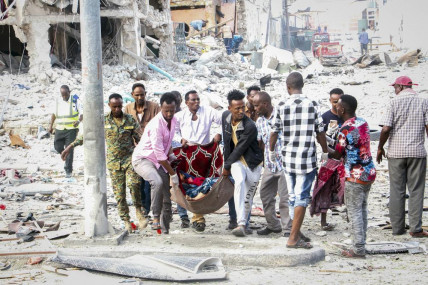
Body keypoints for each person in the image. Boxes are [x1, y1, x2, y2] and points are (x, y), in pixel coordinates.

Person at [61, 94, 147, 232]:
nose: (118, 109)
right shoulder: (103, 121)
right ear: (109, 106)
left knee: (134, 183)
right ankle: (126, 221)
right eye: (115, 107)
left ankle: (138, 211)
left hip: (129, 159)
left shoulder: (130, 119)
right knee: (119, 194)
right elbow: (88, 135)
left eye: (120, 106)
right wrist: (70, 146)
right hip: (113, 163)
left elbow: (141, 139)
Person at [270, 72, 328, 249]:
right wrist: (325, 151)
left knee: (293, 197)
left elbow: (274, 131)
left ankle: (296, 232)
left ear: (288, 87)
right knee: (302, 197)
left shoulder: (281, 104)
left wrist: (272, 151)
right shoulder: (312, 104)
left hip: (288, 158)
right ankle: (293, 238)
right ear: (302, 85)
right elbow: (320, 132)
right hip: (306, 158)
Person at [377, 76, 428, 238]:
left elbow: (385, 129)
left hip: (396, 154)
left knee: (397, 190)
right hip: (417, 153)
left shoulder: (394, 102)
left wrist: (380, 148)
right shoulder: (423, 102)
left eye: (395, 87)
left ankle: (397, 228)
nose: (394, 90)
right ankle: (415, 229)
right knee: (416, 191)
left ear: (400, 86)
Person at [329, 95, 376, 258]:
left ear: (343, 109)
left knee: (354, 211)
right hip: (368, 171)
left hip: (354, 174)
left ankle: (358, 249)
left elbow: (337, 153)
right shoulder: (362, 122)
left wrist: (323, 146)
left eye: (338, 106)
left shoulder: (345, 129)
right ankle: (361, 243)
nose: (336, 108)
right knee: (362, 208)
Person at [174, 90, 222, 232]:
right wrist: (180, 139)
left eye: (198, 99)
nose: (196, 102)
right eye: (193, 100)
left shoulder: (208, 111)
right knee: (182, 183)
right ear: (186, 102)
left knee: (199, 185)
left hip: (203, 155)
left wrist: (217, 133)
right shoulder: (180, 116)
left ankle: (198, 218)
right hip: (186, 153)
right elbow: (173, 131)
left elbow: (223, 121)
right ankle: (183, 216)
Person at [132, 92, 178, 234]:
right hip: (143, 159)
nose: (169, 114)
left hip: (159, 161)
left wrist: (171, 155)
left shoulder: (174, 120)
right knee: (157, 182)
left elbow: (167, 143)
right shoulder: (156, 125)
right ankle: (155, 217)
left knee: (166, 193)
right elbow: (159, 155)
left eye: (172, 110)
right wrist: (172, 173)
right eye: (166, 111)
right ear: (161, 109)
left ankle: (165, 230)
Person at [222, 90, 263, 237]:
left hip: (253, 163)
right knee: (239, 183)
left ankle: (244, 223)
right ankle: (240, 224)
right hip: (236, 161)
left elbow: (240, 147)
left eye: (243, 107)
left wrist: (226, 166)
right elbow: (227, 144)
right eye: (237, 108)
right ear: (229, 109)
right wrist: (227, 164)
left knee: (248, 196)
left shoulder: (250, 125)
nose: (241, 111)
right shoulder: (225, 118)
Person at [253, 91, 292, 236]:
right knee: (265, 195)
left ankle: (288, 228)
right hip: (269, 164)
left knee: (284, 198)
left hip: (283, 164)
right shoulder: (260, 121)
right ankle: (273, 224)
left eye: (257, 106)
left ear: (265, 104)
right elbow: (261, 143)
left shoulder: (281, 116)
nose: (255, 109)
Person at [124, 83, 161, 217]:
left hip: (150, 151)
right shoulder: (127, 109)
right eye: (137, 95)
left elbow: (159, 125)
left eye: (142, 94)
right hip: (134, 151)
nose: (140, 97)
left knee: (148, 181)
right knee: (136, 182)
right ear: (132, 95)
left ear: (146, 94)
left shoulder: (154, 107)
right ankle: (140, 207)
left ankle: (147, 208)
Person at [320, 87, 344, 231]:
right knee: (325, 189)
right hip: (329, 158)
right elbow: (320, 138)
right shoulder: (325, 117)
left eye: (339, 101)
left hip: (344, 158)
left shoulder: (347, 116)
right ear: (330, 101)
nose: (337, 105)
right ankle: (323, 221)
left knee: (345, 189)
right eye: (334, 101)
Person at [48, 85, 83, 178]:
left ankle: (68, 170)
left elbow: (82, 113)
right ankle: (63, 153)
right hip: (59, 128)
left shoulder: (75, 99)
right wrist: (50, 125)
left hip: (71, 129)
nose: (64, 97)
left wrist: (79, 121)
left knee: (69, 149)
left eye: (65, 95)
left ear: (69, 92)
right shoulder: (58, 101)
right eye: (62, 95)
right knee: (57, 146)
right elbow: (54, 114)